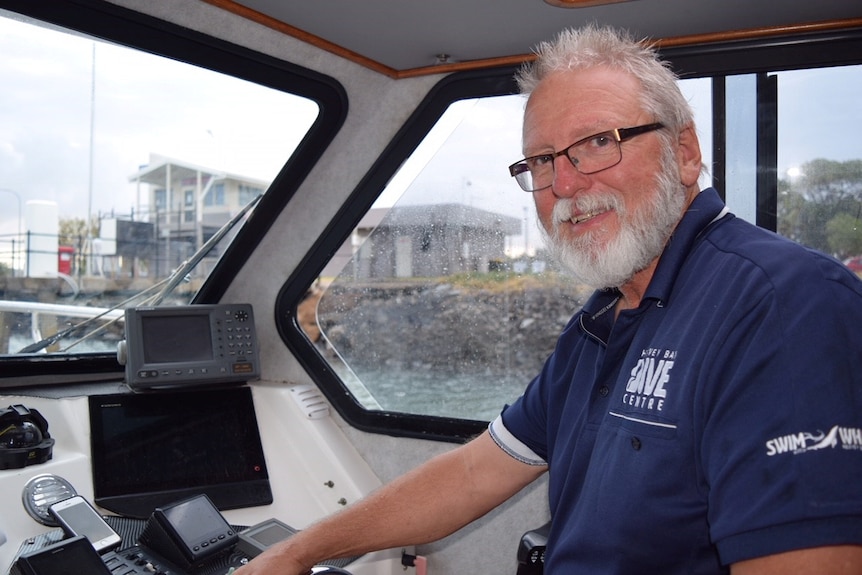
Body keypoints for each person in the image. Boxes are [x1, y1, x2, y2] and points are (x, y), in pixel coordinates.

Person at [236, 25, 862, 574]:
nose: (564, 185)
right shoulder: (604, 319)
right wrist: (299, 551)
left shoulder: (785, 306)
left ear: (686, 151)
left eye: (598, 142)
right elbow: (478, 470)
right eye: (541, 160)